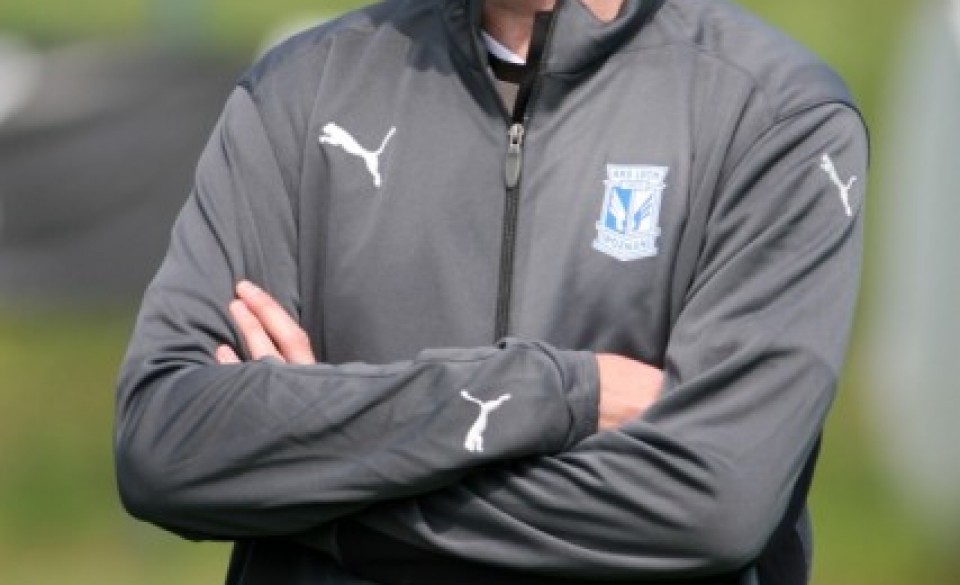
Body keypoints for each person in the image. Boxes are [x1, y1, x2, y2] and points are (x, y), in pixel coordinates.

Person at [114, 1, 867, 584]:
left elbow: (713, 503)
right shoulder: (299, 92)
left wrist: (314, 483)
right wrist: (556, 391)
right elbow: (165, 443)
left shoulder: (776, 118)